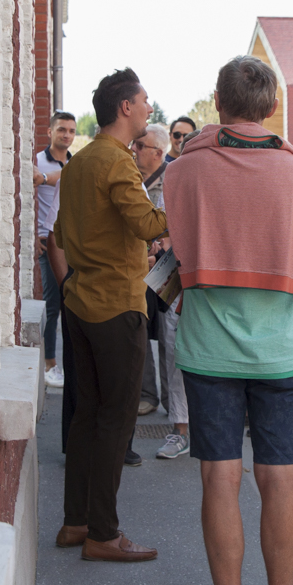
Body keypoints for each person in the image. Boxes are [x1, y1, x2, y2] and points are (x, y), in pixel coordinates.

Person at [162, 57, 293, 585]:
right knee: (277, 478)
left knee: (218, 476)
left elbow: (174, 242)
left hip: (210, 347)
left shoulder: (186, 170)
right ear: (272, 107)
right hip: (282, 349)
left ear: (216, 100)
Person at [54, 69, 167, 562]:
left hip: (80, 301)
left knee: (86, 418)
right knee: (116, 422)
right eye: (144, 101)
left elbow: (59, 234)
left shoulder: (79, 161)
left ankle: (76, 522)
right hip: (116, 306)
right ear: (125, 108)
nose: (148, 107)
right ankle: (103, 533)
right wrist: (189, 207)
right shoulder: (118, 162)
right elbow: (146, 224)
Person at [130, 125, 192, 459]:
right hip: (177, 277)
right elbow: (164, 228)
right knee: (172, 347)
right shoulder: (175, 181)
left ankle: (207, 422)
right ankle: (179, 428)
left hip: (213, 282)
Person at [35, 112, 76, 389]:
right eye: (61, 129)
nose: (67, 135)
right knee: (52, 305)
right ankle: (50, 364)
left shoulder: (75, 163)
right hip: (45, 242)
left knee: (70, 304)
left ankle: (67, 364)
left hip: (70, 244)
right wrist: (32, 235)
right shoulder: (37, 161)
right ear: (50, 131)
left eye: (72, 131)